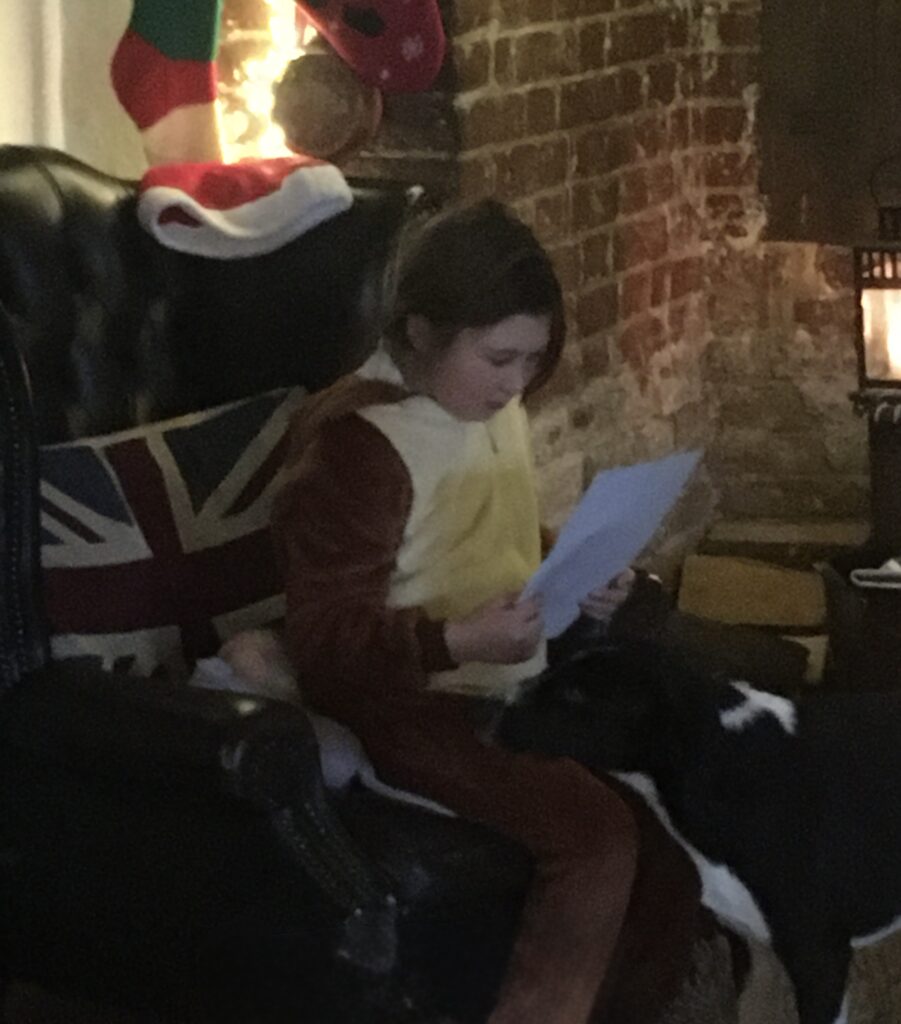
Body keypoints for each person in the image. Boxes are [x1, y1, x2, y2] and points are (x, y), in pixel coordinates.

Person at [270, 199, 698, 1024]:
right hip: (409, 700)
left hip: (502, 670)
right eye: (498, 358)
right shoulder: (358, 444)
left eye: (531, 361)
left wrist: (579, 567)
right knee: (595, 835)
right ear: (422, 331)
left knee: (674, 780)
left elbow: (473, 533)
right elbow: (323, 642)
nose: (515, 385)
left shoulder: (484, 407)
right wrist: (454, 638)